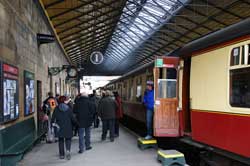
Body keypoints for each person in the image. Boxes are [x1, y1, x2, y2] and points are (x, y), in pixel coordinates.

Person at [51, 96, 77, 160]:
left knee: (61, 140)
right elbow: (72, 118)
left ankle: (62, 155)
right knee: (68, 139)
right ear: (64, 101)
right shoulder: (68, 109)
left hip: (59, 127)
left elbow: (53, 119)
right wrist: (76, 124)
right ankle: (68, 150)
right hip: (68, 127)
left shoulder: (56, 109)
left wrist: (53, 125)